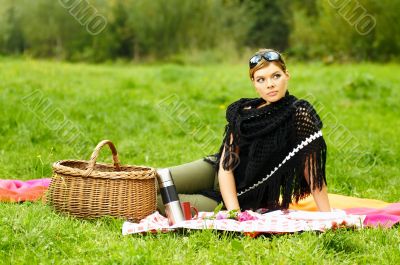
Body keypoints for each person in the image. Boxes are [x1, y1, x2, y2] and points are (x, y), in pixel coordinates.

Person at [156, 48, 331, 214]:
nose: (270, 84)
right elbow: (226, 167)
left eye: (276, 76)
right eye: (261, 79)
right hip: (215, 171)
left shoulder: (299, 115)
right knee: (154, 181)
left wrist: (234, 213)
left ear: (287, 75)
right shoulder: (244, 111)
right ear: (254, 84)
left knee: (155, 201)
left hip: (239, 197)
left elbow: (313, 174)